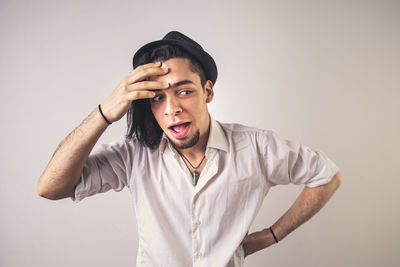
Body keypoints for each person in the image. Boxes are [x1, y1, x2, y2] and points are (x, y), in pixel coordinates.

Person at [38, 31, 342, 267]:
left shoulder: (256, 147)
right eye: (157, 97)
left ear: (207, 92)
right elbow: (50, 188)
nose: (172, 109)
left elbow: (327, 177)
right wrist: (105, 111)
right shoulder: (135, 153)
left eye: (184, 91)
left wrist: (270, 236)